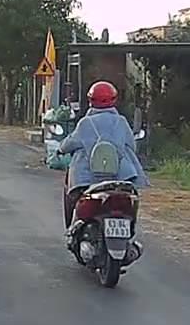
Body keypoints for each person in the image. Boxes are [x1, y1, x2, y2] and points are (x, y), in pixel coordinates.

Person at [58, 80, 149, 228]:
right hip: (120, 177)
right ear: (114, 99)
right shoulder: (121, 122)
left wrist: (60, 149)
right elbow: (132, 145)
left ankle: (72, 227)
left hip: (87, 179)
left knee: (73, 194)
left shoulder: (85, 123)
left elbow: (69, 143)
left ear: (90, 100)